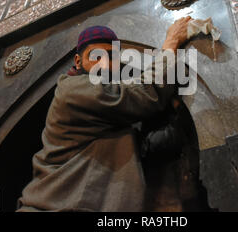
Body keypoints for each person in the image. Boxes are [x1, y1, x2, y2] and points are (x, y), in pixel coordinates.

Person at [17, 16, 192, 212]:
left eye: (112, 57)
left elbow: (141, 147)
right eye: (96, 57)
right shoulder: (72, 90)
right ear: (78, 61)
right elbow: (146, 93)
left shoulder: (111, 115)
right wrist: (171, 43)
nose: (106, 65)